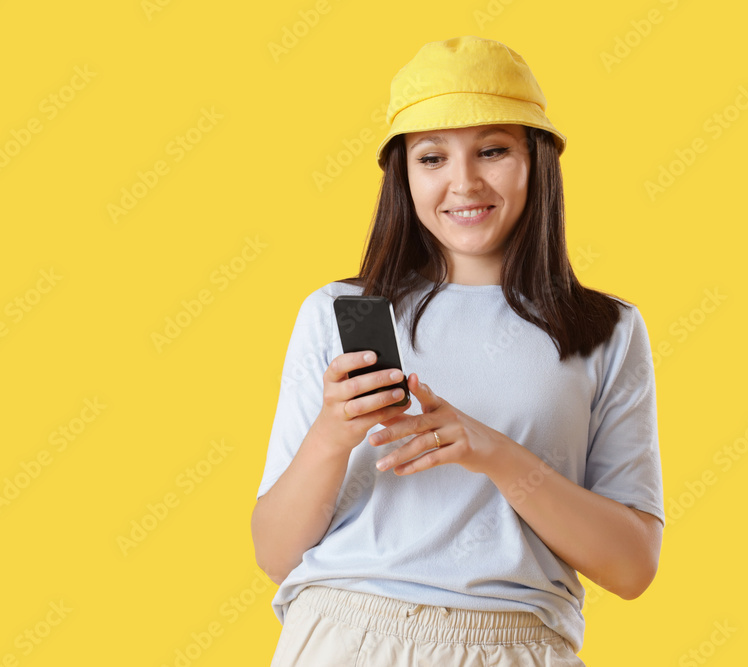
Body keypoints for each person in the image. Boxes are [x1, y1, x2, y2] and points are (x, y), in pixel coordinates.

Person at [251, 35, 665, 666]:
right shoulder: (336, 312)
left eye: (493, 150)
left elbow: (632, 567)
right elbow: (274, 554)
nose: (463, 182)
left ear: (537, 160)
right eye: (432, 158)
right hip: (345, 635)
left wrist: (493, 453)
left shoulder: (605, 329)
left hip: (516, 643)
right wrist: (334, 435)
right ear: (403, 174)